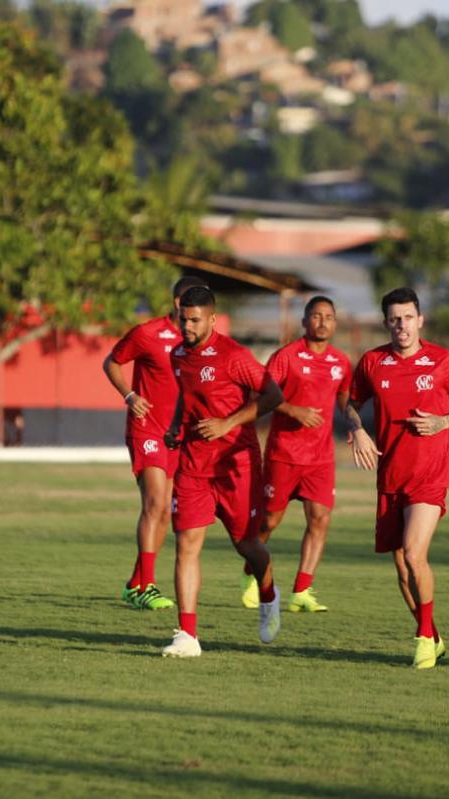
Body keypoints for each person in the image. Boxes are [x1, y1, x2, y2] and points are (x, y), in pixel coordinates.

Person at [347, 287, 449, 669]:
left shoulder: (443, 361)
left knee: (413, 553)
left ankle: (423, 638)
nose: (401, 325)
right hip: (390, 476)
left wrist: (445, 421)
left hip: (430, 475)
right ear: (386, 322)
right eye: (394, 318)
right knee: (402, 570)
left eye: (407, 317)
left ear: (420, 320)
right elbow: (351, 404)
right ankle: (434, 635)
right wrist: (357, 429)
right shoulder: (373, 362)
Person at [161, 285, 285, 657]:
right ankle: (188, 635)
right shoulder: (178, 355)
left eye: (195, 320)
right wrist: (175, 425)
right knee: (186, 544)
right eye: (184, 319)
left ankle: (268, 593)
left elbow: (272, 396)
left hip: (237, 464)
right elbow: (187, 393)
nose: (187, 326)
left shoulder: (234, 355)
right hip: (194, 463)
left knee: (247, 546)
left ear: (212, 319)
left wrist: (227, 423)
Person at [103, 275, 208, 611]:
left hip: (178, 437)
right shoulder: (148, 333)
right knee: (155, 503)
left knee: (165, 511)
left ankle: (136, 582)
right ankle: (145, 586)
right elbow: (112, 362)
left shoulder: (200, 342)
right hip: (146, 429)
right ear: (176, 302)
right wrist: (130, 395)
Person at [242, 295, 352, 613]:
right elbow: (262, 394)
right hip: (284, 453)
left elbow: (344, 395)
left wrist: (354, 423)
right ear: (304, 322)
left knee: (320, 520)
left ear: (334, 323)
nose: (322, 321)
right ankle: (251, 572)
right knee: (269, 520)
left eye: (328, 316)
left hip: (320, 458)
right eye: (316, 316)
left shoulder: (341, 362)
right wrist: (294, 410)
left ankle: (301, 590)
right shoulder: (286, 356)